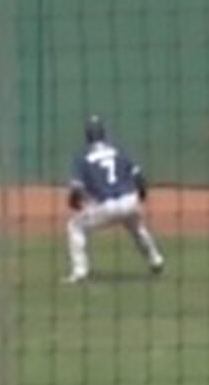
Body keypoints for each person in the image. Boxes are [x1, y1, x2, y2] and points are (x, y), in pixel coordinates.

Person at [63, 115, 165, 284]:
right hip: (129, 201)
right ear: (103, 134)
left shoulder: (81, 157)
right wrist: (141, 196)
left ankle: (80, 272)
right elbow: (139, 178)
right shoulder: (119, 152)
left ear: (87, 136)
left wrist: (74, 203)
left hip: (106, 206)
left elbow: (77, 188)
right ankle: (156, 260)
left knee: (74, 226)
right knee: (136, 227)